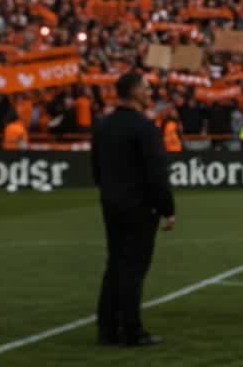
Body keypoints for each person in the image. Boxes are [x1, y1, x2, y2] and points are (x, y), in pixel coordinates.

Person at [92, 71, 175, 347]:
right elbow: (156, 172)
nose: (150, 92)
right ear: (134, 92)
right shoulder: (144, 127)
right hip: (139, 207)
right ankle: (131, 329)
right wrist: (167, 208)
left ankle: (107, 328)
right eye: (146, 88)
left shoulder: (104, 125)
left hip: (111, 203)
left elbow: (96, 168)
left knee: (114, 264)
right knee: (133, 269)